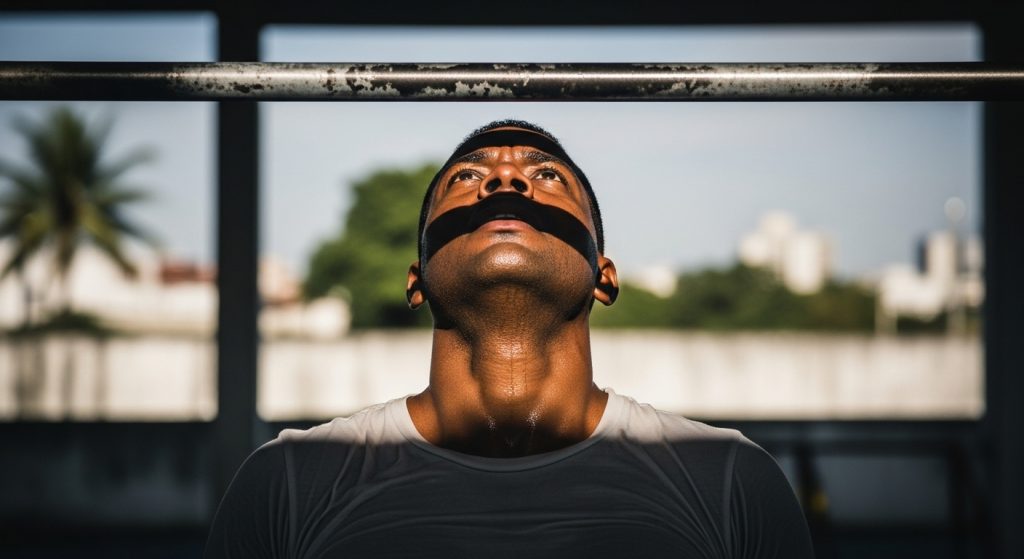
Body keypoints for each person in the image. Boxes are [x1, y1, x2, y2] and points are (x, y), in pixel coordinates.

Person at [204, 120, 814, 558]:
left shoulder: (729, 478)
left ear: (605, 277)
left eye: (546, 176)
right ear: (415, 282)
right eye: (467, 176)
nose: (505, 184)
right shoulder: (288, 481)